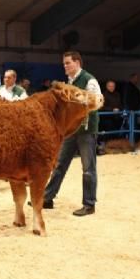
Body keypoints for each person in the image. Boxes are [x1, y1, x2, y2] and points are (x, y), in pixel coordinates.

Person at [40, 51, 102, 216]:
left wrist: (77, 100)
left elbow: (97, 99)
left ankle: (89, 205)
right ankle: (47, 198)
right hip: (70, 130)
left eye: (67, 63)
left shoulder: (89, 80)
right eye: (64, 64)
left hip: (86, 130)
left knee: (88, 168)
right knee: (60, 164)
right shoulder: (69, 81)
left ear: (77, 63)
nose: (65, 66)